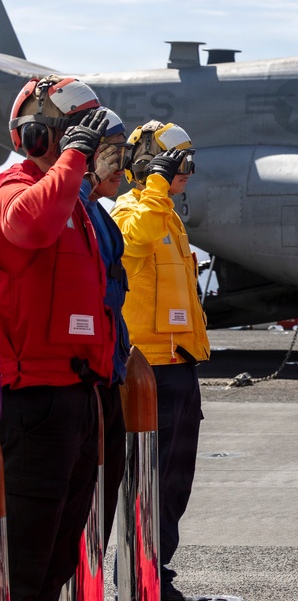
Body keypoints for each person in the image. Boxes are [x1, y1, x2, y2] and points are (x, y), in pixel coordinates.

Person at [1, 75, 114, 601]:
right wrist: (71, 160)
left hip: (75, 394)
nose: (84, 151)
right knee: (27, 554)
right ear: (34, 137)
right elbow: (29, 229)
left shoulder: (74, 205)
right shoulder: (15, 189)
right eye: (70, 137)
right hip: (32, 401)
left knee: (61, 550)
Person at [111, 119, 210, 601]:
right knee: (148, 481)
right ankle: (139, 573)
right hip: (148, 369)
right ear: (152, 167)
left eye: (188, 162)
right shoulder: (133, 209)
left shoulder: (167, 215)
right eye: (178, 163)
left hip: (177, 365)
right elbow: (131, 243)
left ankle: (153, 568)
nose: (186, 171)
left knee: (174, 482)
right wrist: (154, 184)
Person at [78, 107, 132, 549]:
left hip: (109, 376)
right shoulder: (70, 208)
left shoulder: (102, 216)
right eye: (113, 154)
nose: (124, 166)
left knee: (98, 515)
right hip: (79, 383)